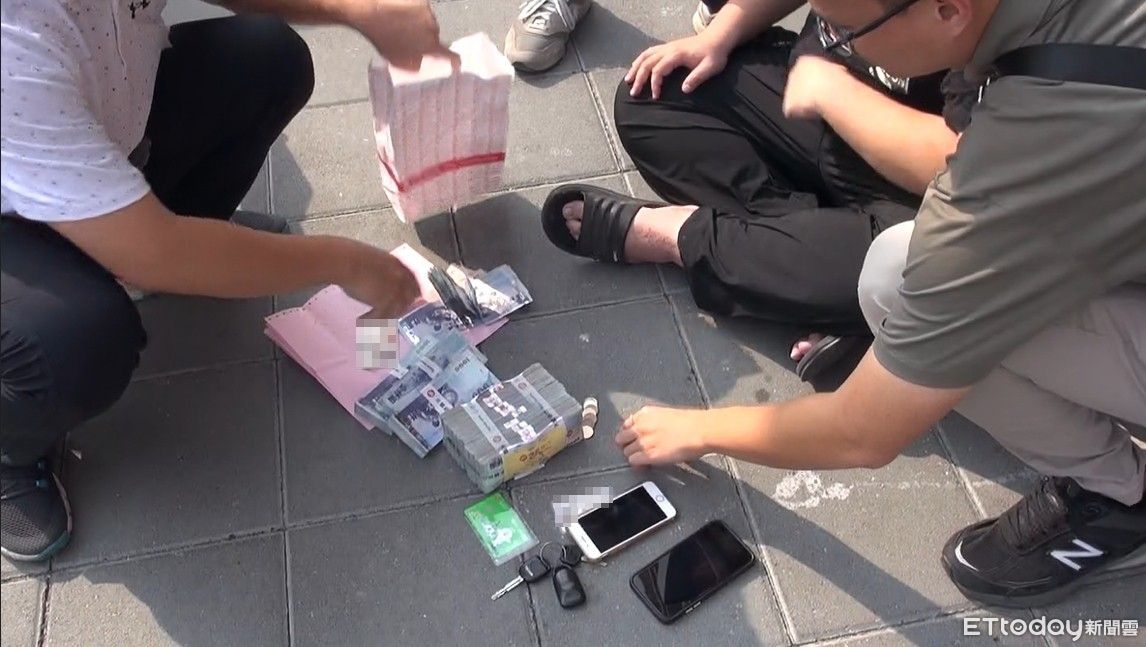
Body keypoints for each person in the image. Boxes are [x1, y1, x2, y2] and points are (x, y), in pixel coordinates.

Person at [608, 0, 1146, 608]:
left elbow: (861, 433)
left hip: (1025, 202)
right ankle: (770, 250)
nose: (834, 42)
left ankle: (1120, 495)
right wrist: (734, 29)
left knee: (894, 277)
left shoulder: (1009, 170)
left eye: (845, 32)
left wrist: (700, 429)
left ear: (948, 11)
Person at [0, 0, 457, 562]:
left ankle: (175, 238)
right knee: (77, 338)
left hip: (92, 129)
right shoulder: (13, 46)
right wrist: (346, 262)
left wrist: (360, 11)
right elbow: (158, 252)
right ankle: (10, 449)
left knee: (271, 59)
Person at [541, 0, 979, 380]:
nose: (835, 32)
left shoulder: (1012, 46)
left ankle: (679, 236)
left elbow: (969, 164)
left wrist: (835, 92)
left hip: (924, 184)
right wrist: (721, 34)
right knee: (651, 93)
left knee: (900, 273)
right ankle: (811, 280)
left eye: (847, 27)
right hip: (817, 101)